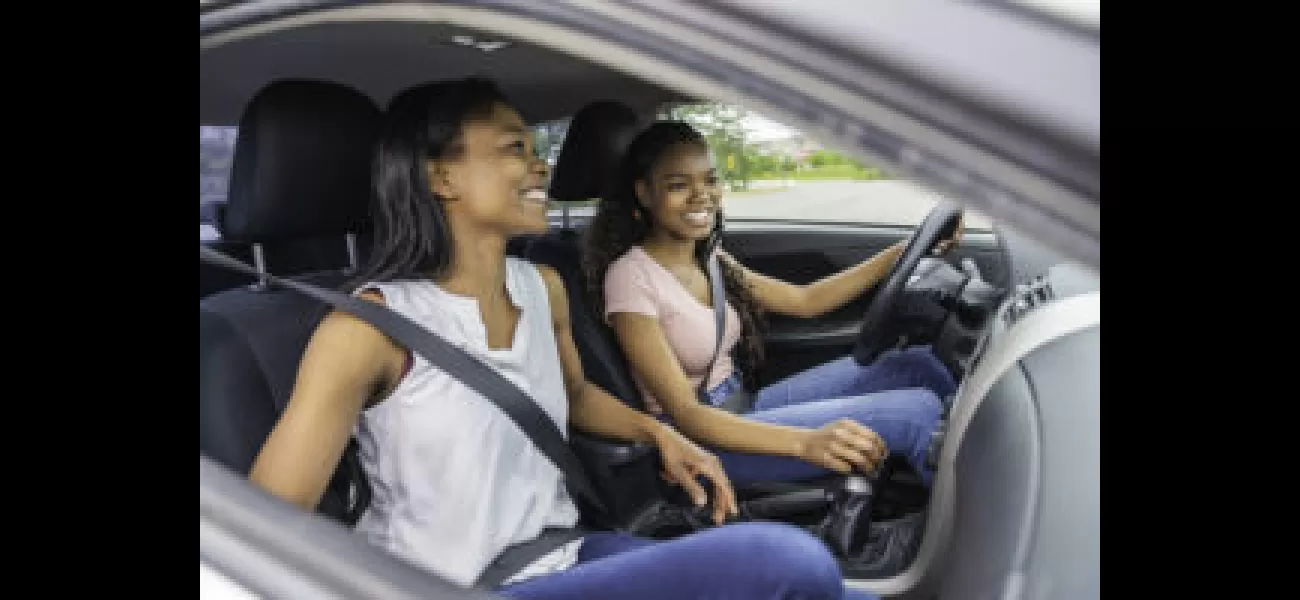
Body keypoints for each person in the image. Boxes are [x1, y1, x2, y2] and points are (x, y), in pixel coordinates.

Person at [246, 78, 877, 600]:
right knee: (784, 565)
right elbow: (267, 526)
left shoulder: (541, 284)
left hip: (564, 552)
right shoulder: (365, 329)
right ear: (441, 178)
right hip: (448, 585)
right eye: (514, 147)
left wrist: (660, 433)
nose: (539, 162)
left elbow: (572, 395)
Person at [583, 121, 960, 487]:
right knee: (918, 414)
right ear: (644, 194)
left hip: (741, 405)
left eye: (710, 180)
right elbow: (688, 415)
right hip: (702, 442)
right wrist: (806, 442)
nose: (702, 195)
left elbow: (805, 301)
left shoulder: (709, 257)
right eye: (679, 185)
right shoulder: (630, 279)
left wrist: (901, 254)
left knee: (916, 365)